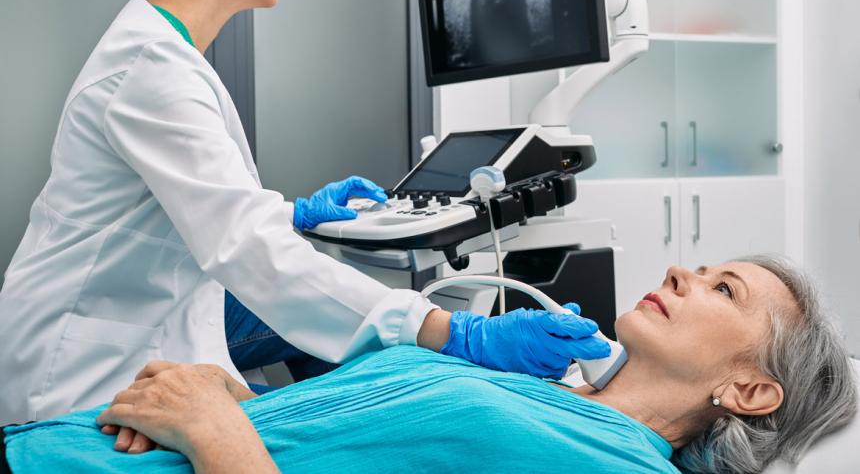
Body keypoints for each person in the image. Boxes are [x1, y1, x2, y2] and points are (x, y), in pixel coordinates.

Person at [0, 0, 610, 426]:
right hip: (81, 357)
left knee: (341, 334)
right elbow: (243, 242)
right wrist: (456, 331)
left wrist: (290, 214)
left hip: (141, 306)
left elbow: (186, 202)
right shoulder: (153, 72)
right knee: (367, 353)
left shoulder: (162, 52)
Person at [3, 256, 856, 473]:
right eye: (699, 265)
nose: (682, 273)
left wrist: (219, 429)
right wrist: (232, 397)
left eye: (723, 289)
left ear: (746, 389)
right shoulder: (560, 408)